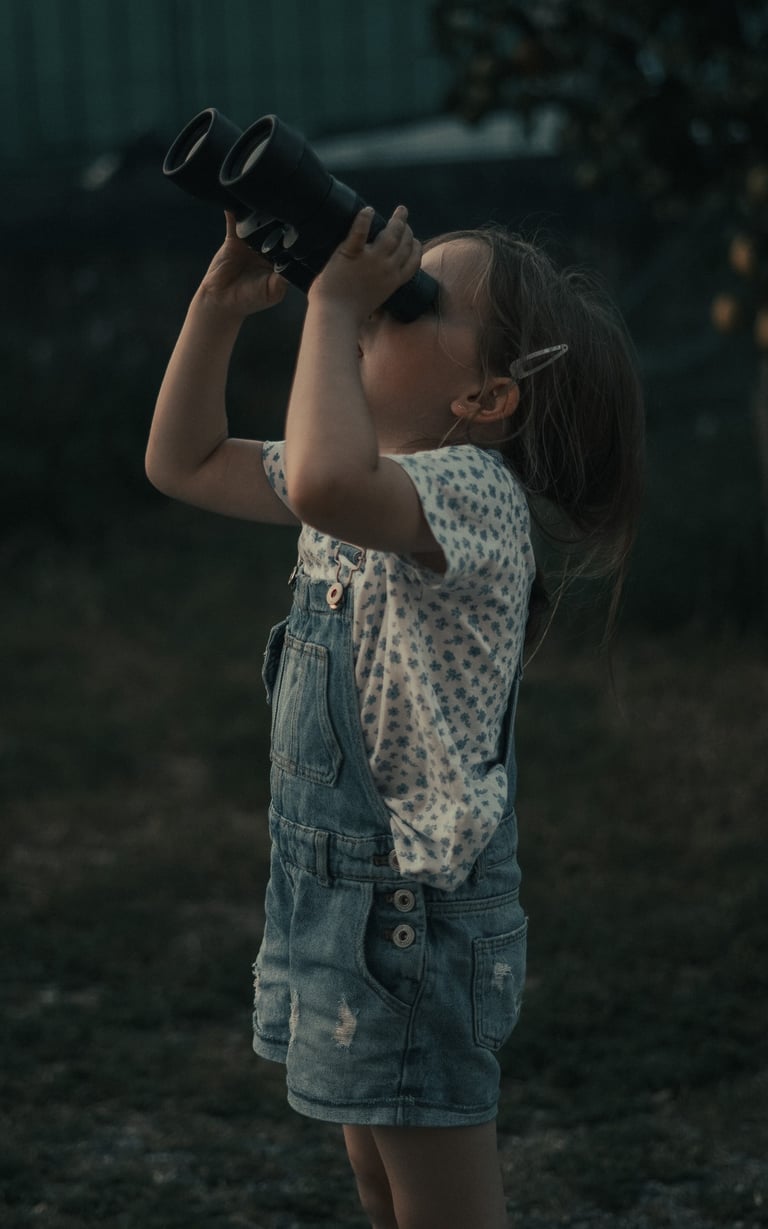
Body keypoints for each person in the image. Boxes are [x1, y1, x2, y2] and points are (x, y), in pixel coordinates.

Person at [146, 204, 644, 1229]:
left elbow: (327, 477)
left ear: (485, 396)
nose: (378, 299)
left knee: (438, 1204)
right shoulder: (378, 483)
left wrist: (330, 301)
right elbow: (182, 461)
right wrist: (217, 307)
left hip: (414, 911)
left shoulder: (471, 495)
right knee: (380, 1183)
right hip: (335, 894)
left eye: (414, 297)